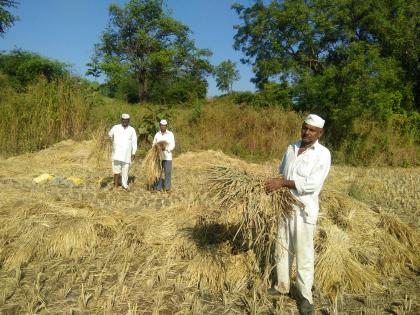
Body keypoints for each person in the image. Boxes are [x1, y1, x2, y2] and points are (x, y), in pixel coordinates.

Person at [265, 114, 331, 315]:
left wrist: (283, 183)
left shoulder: (323, 154)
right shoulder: (291, 147)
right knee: (282, 248)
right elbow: (283, 172)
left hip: (304, 209)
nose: (307, 132)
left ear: (319, 133)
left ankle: (304, 296)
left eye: (312, 130)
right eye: (305, 128)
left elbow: (313, 184)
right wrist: (275, 183)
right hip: (285, 207)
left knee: (303, 254)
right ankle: (281, 286)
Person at [108, 113, 137, 191]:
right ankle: (115, 185)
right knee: (116, 171)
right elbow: (109, 135)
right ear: (121, 120)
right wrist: (109, 137)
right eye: (123, 120)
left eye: (126, 120)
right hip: (116, 153)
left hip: (126, 155)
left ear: (129, 121)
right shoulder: (115, 127)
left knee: (125, 171)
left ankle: (125, 185)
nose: (125, 121)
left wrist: (133, 153)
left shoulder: (132, 130)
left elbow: (134, 142)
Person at [152, 119, 175, 192]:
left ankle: (167, 188)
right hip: (158, 156)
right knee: (158, 172)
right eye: (161, 125)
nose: (163, 127)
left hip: (167, 157)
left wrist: (166, 148)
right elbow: (153, 144)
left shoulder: (170, 134)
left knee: (167, 172)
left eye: (164, 125)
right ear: (160, 126)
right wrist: (156, 148)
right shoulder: (157, 134)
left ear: (166, 126)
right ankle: (158, 187)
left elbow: (173, 145)